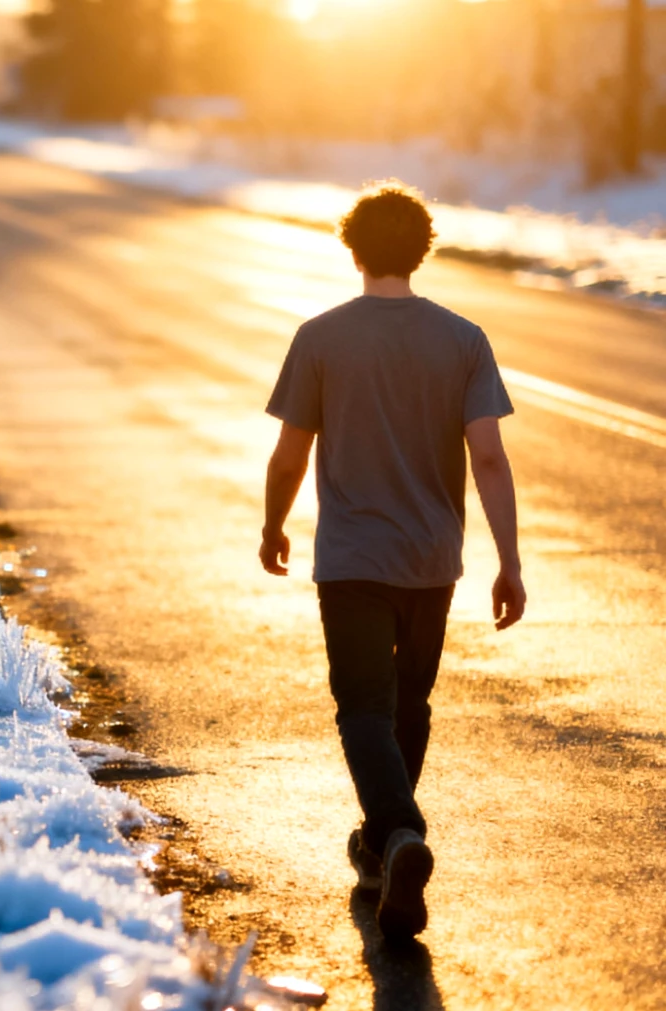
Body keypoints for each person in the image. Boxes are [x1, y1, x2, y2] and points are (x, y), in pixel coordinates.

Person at [257, 181, 526, 942]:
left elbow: (288, 456)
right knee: (409, 704)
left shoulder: (320, 336)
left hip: (351, 559)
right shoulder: (463, 339)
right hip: (432, 560)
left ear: (353, 249)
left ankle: (400, 832)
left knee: (364, 709)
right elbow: (490, 459)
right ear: (423, 250)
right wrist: (509, 561)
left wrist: (274, 523)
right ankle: (383, 847)